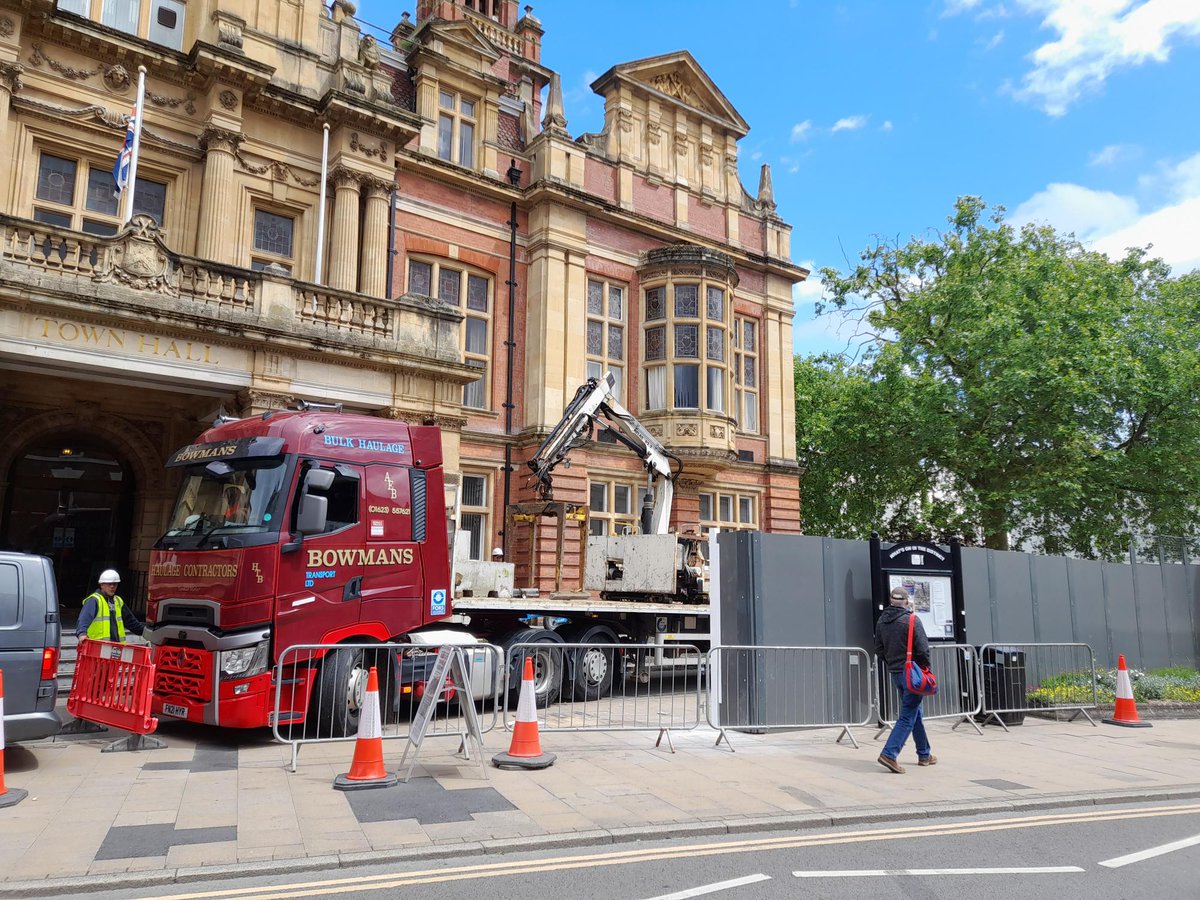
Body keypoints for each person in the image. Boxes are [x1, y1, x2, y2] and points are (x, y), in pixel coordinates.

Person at [874, 587, 936, 773]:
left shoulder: (881, 621)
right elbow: (923, 649)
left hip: (896, 673)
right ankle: (889, 754)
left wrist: (892, 662)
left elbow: (878, 649)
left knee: (915, 712)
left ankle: (924, 754)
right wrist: (925, 669)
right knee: (908, 714)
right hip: (913, 674)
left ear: (891, 601)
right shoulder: (911, 620)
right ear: (906, 602)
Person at [76, 570, 144, 642]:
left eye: (115, 584)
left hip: (116, 648)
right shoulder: (94, 600)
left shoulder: (118, 601)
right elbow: (84, 619)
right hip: (97, 647)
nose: (112, 586)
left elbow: (131, 622)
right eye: (109, 584)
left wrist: (147, 633)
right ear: (101, 585)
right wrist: (82, 633)